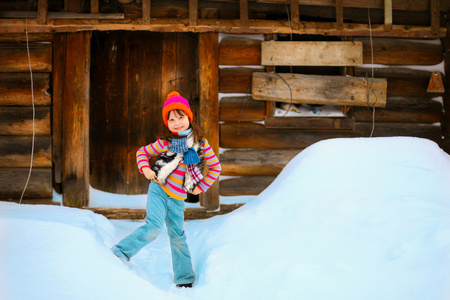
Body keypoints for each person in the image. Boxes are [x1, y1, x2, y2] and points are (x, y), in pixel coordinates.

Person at [111, 91, 222, 288]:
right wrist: (145, 168)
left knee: (177, 236)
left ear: (189, 117)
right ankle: (121, 252)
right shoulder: (166, 143)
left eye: (181, 117)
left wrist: (201, 187)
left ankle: (184, 278)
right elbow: (142, 152)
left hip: (178, 197)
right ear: (167, 123)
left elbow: (215, 168)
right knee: (154, 227)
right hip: (159, 189)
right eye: (171, 119)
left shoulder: (201, 145)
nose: (177, 122)